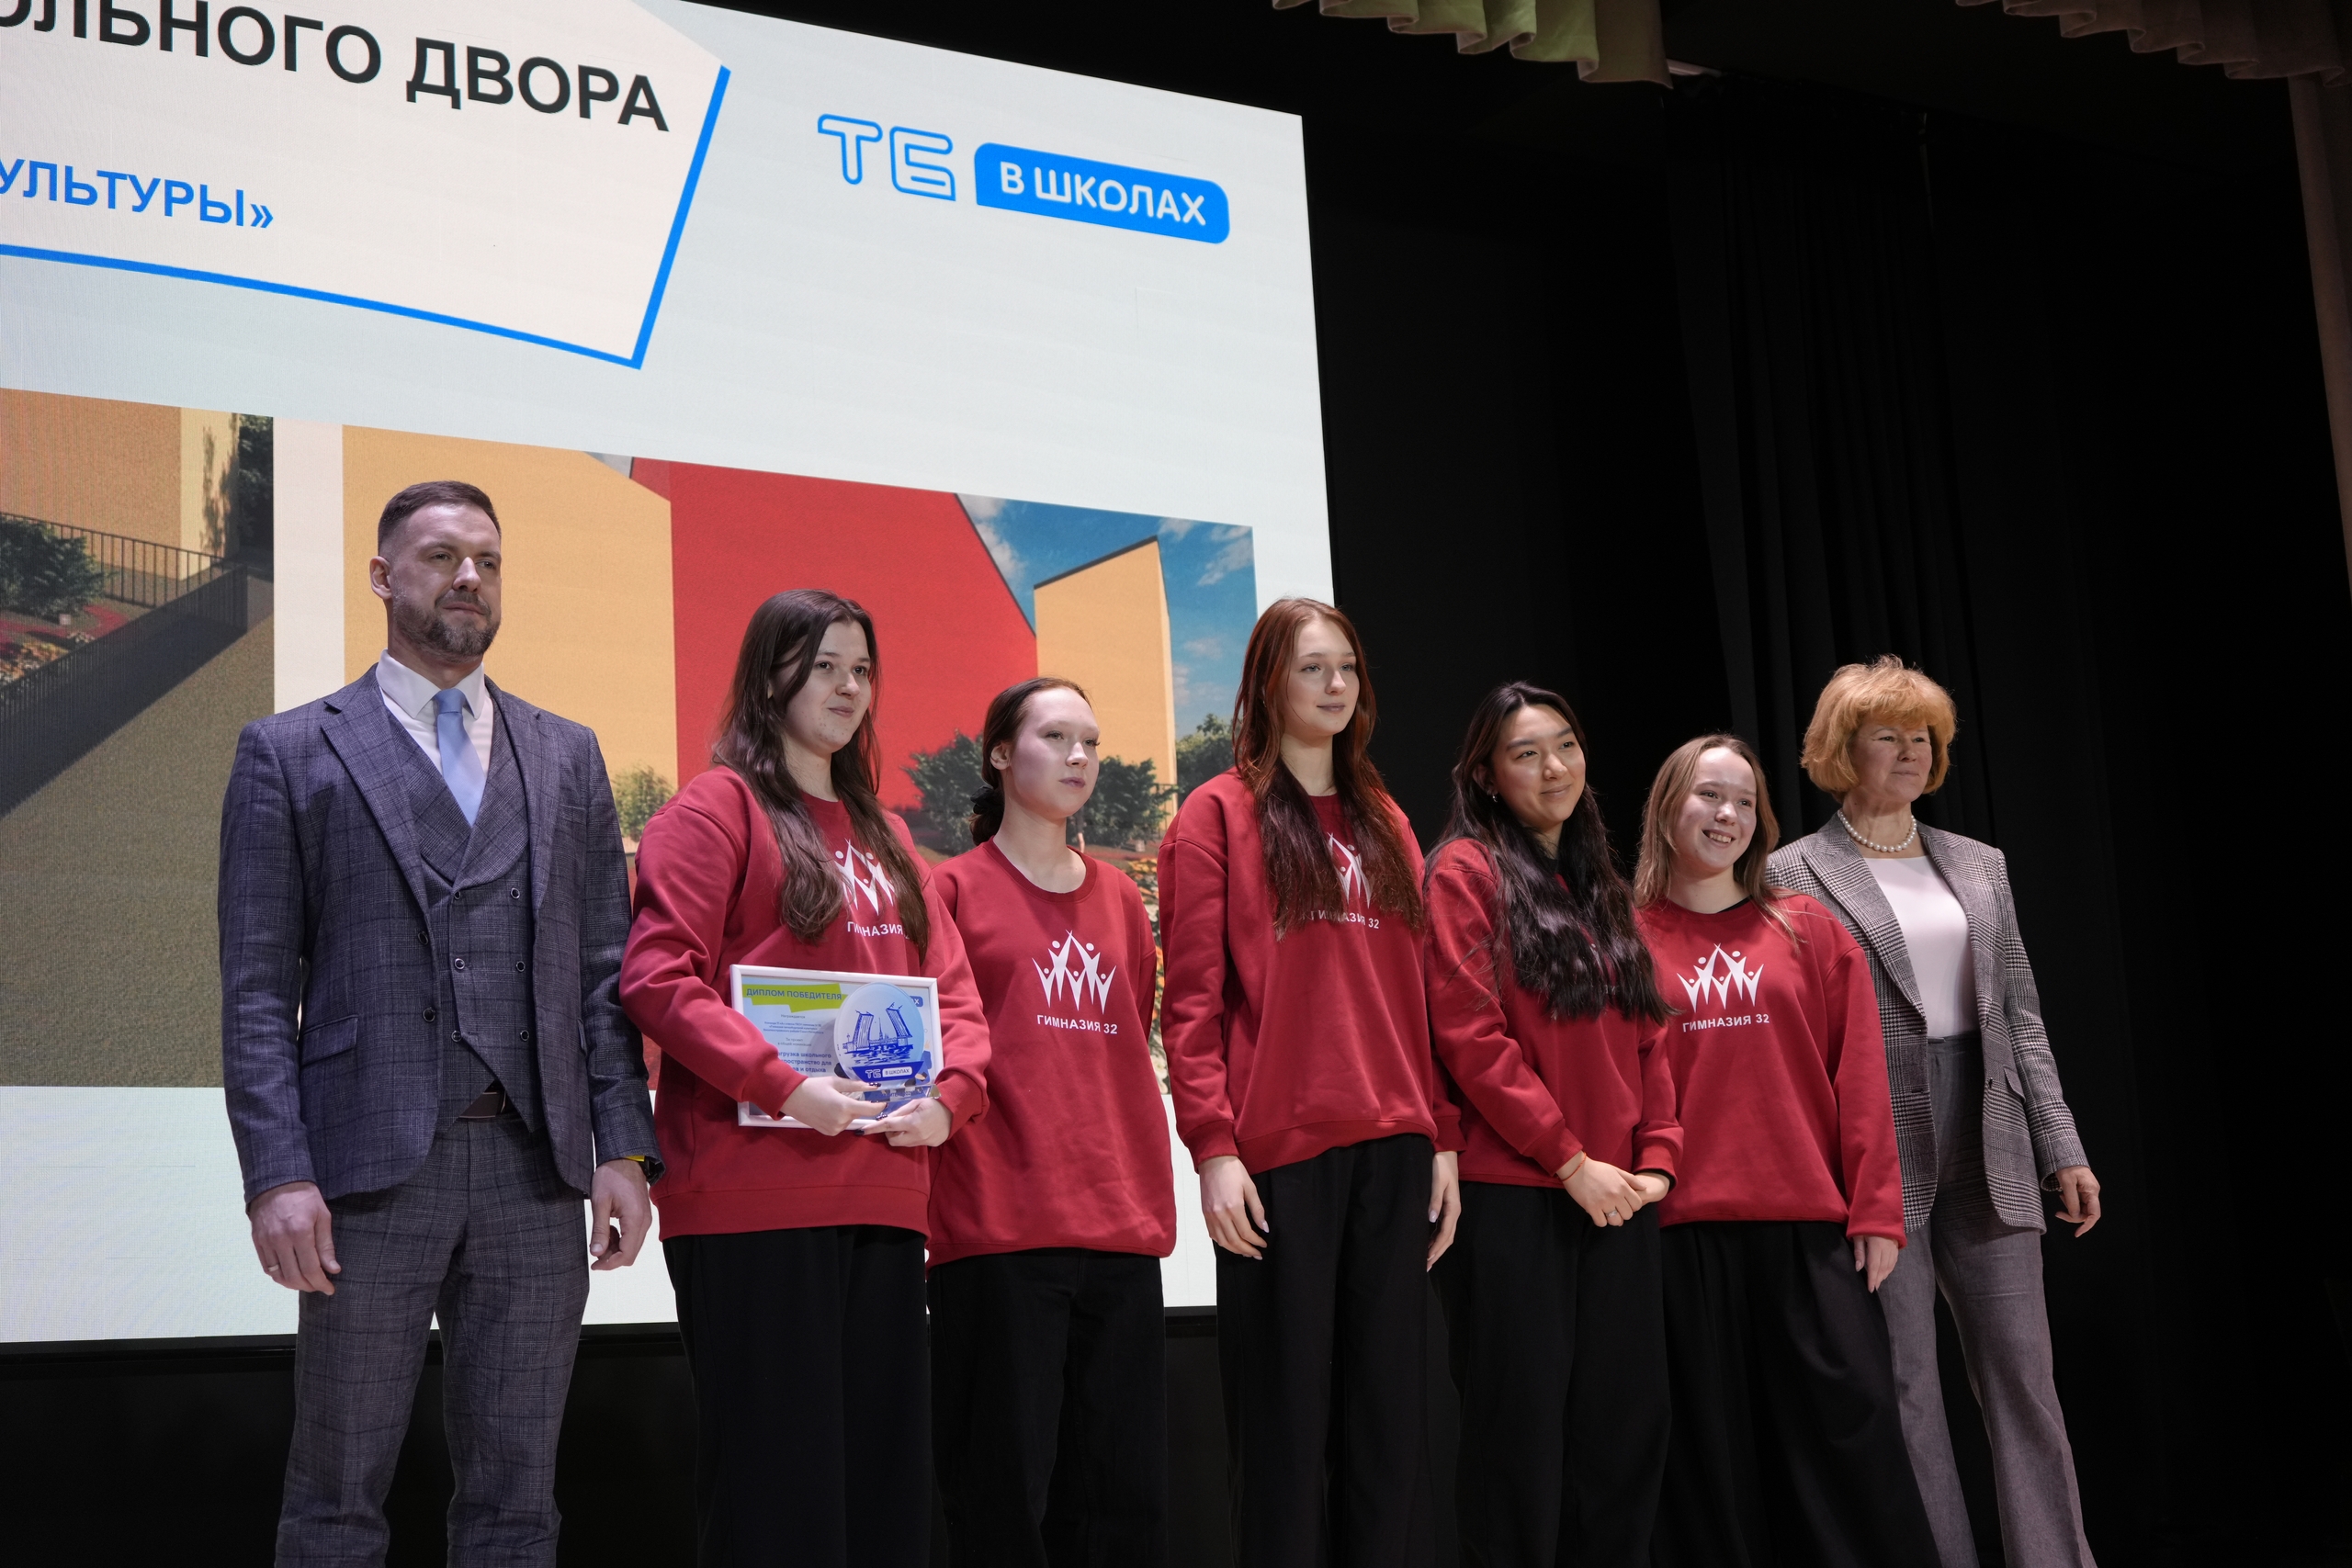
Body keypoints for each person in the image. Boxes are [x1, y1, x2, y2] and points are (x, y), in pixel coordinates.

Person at [220, 479, 658, 1565]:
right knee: (336, 1501)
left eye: (488, 562)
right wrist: (276, 1174)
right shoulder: (289, 751)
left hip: (534, 1174)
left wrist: (623, 1148)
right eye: (441, 557)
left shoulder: (567, 753)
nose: (469, 578)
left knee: (518, 1504)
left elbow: (603, 975)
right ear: (382, 576)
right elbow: (258, 988)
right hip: (367, 1176)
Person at [618, 589, 991, 1568]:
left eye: (861, 669)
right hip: (751, 1196)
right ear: (769, 674)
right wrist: (786, 1087)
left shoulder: (891, 839)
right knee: (778, 1501)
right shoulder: (715, 810)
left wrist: (948, 1102)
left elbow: (953, 995)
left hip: (883, 1192)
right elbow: (657, 980)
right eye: (823, 665)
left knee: (883, 1500)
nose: (847, 687)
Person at [1768, 658, 2100, 1568]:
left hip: (1989, 1128)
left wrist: (2062, 1146)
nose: (1912, 752)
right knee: (1907, 1384)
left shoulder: (1980, 864)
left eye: (1923, 737)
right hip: (1873, 1143)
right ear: (1844, 751)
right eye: (1889, 736)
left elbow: (2021, 1015)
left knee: (2024, 1377)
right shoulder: (1792, 873)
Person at [1158, 596, 1461, 1568]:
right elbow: (1190, 1003)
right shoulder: (1216, 814)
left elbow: (1420, 995)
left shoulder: (1387, 819)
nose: (1336, 686)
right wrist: (1212, 1149)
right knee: (1284, 1434)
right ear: (1266, 684)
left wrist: (1441, 1135)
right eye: (1311, 669)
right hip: (1279, 1158)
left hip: (1395, 1148)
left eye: (1347, 669)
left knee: (1390, 1431)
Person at [1633, 734, 1937, 1568]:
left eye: (1743, 800)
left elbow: (1861, 1075)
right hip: (1678, 1236)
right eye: (1707, 795)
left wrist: (1877, 1210)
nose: (1726, 814)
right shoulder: (1623, 937)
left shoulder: (1809, 928)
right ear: (1667, 807)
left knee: (1852, 1449)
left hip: (1809, 1232)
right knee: (1715, 1467)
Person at [1422, 682, 1679, 1568]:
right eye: (1526, 754)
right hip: (1517, 1195)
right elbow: (1470, 1037)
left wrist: (1658, 1159)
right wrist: (1570, 1160)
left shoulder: (1599, 880)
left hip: (1620, 1196)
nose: (1554, 767)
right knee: (1518, 1443)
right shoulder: (1464, 871)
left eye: (1565, 745)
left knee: (1624, 1431)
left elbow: (1650, 1035)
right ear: (1486, 775)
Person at [928, 677, 1178, 1567]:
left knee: (1120, 1505)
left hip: (1119, 1230)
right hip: (997, 1230)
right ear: (1001, 754)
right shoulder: (949, 890)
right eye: (1057, 737)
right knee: (1000, 1500)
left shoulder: (1122, 901)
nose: (1080, 757)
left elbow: (1126, 1042)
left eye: (1092, 742)